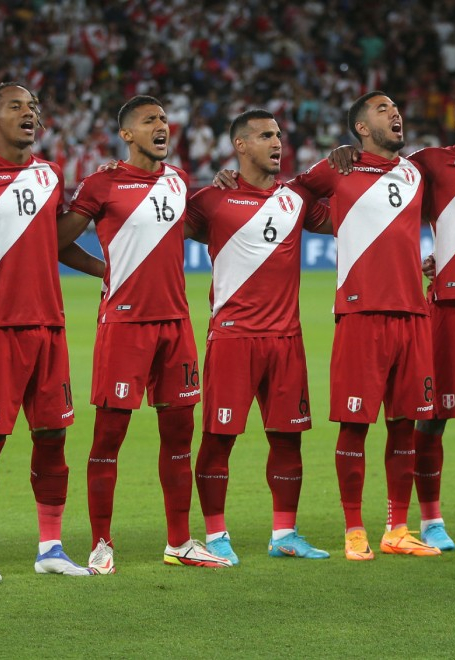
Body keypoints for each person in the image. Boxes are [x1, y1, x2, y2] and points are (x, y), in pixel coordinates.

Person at [324, 90, 455, 549]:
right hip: (444, 309)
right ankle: (430, 519)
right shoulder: (429, 163)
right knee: (430, 416)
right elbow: (373, 186)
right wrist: (348, 154)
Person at [0, 82, 104, 580]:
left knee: (52, 437)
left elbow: (54, 241)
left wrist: (104, 270)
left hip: (48, 324)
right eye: (16, 107)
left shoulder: (49, 173)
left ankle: (50, 546)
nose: (29, 114)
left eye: (33, 106)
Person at [60, 95, 231, 573]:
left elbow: (210, 222)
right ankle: (101, 543)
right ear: (127, 134)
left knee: (179, 436)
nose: (162, 125)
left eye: (163, 119)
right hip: (125, 326)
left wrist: (225, 184)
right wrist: (104, 270)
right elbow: (56, 240)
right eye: (149, 120)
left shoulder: (177, 182)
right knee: (108, 437)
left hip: (176, 325)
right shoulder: (103, 182)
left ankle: (179, 541)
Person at [293, 92, 441, 560]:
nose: (396, 113)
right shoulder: (339, 167)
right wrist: (331, 217)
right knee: (355, 424)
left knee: (404, 424)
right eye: (382, 109)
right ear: (360, 127)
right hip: (361, 313)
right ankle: (354, 529)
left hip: (413, 313)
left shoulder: (416, 171)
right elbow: (290, 195)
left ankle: (397, 528)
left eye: (396, 108)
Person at [187, 109, 332, 564]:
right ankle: (216, 536)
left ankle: (284, 534)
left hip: (287, 339)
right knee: (218, 438)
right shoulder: (210, 200)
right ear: (240, 145)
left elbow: (351, 209)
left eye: (279, 134)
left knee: (288, 439)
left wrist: (348, 158)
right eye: (265, 135)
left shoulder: (297, 199)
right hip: (233, 337)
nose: (277, 142)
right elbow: (166, 222)